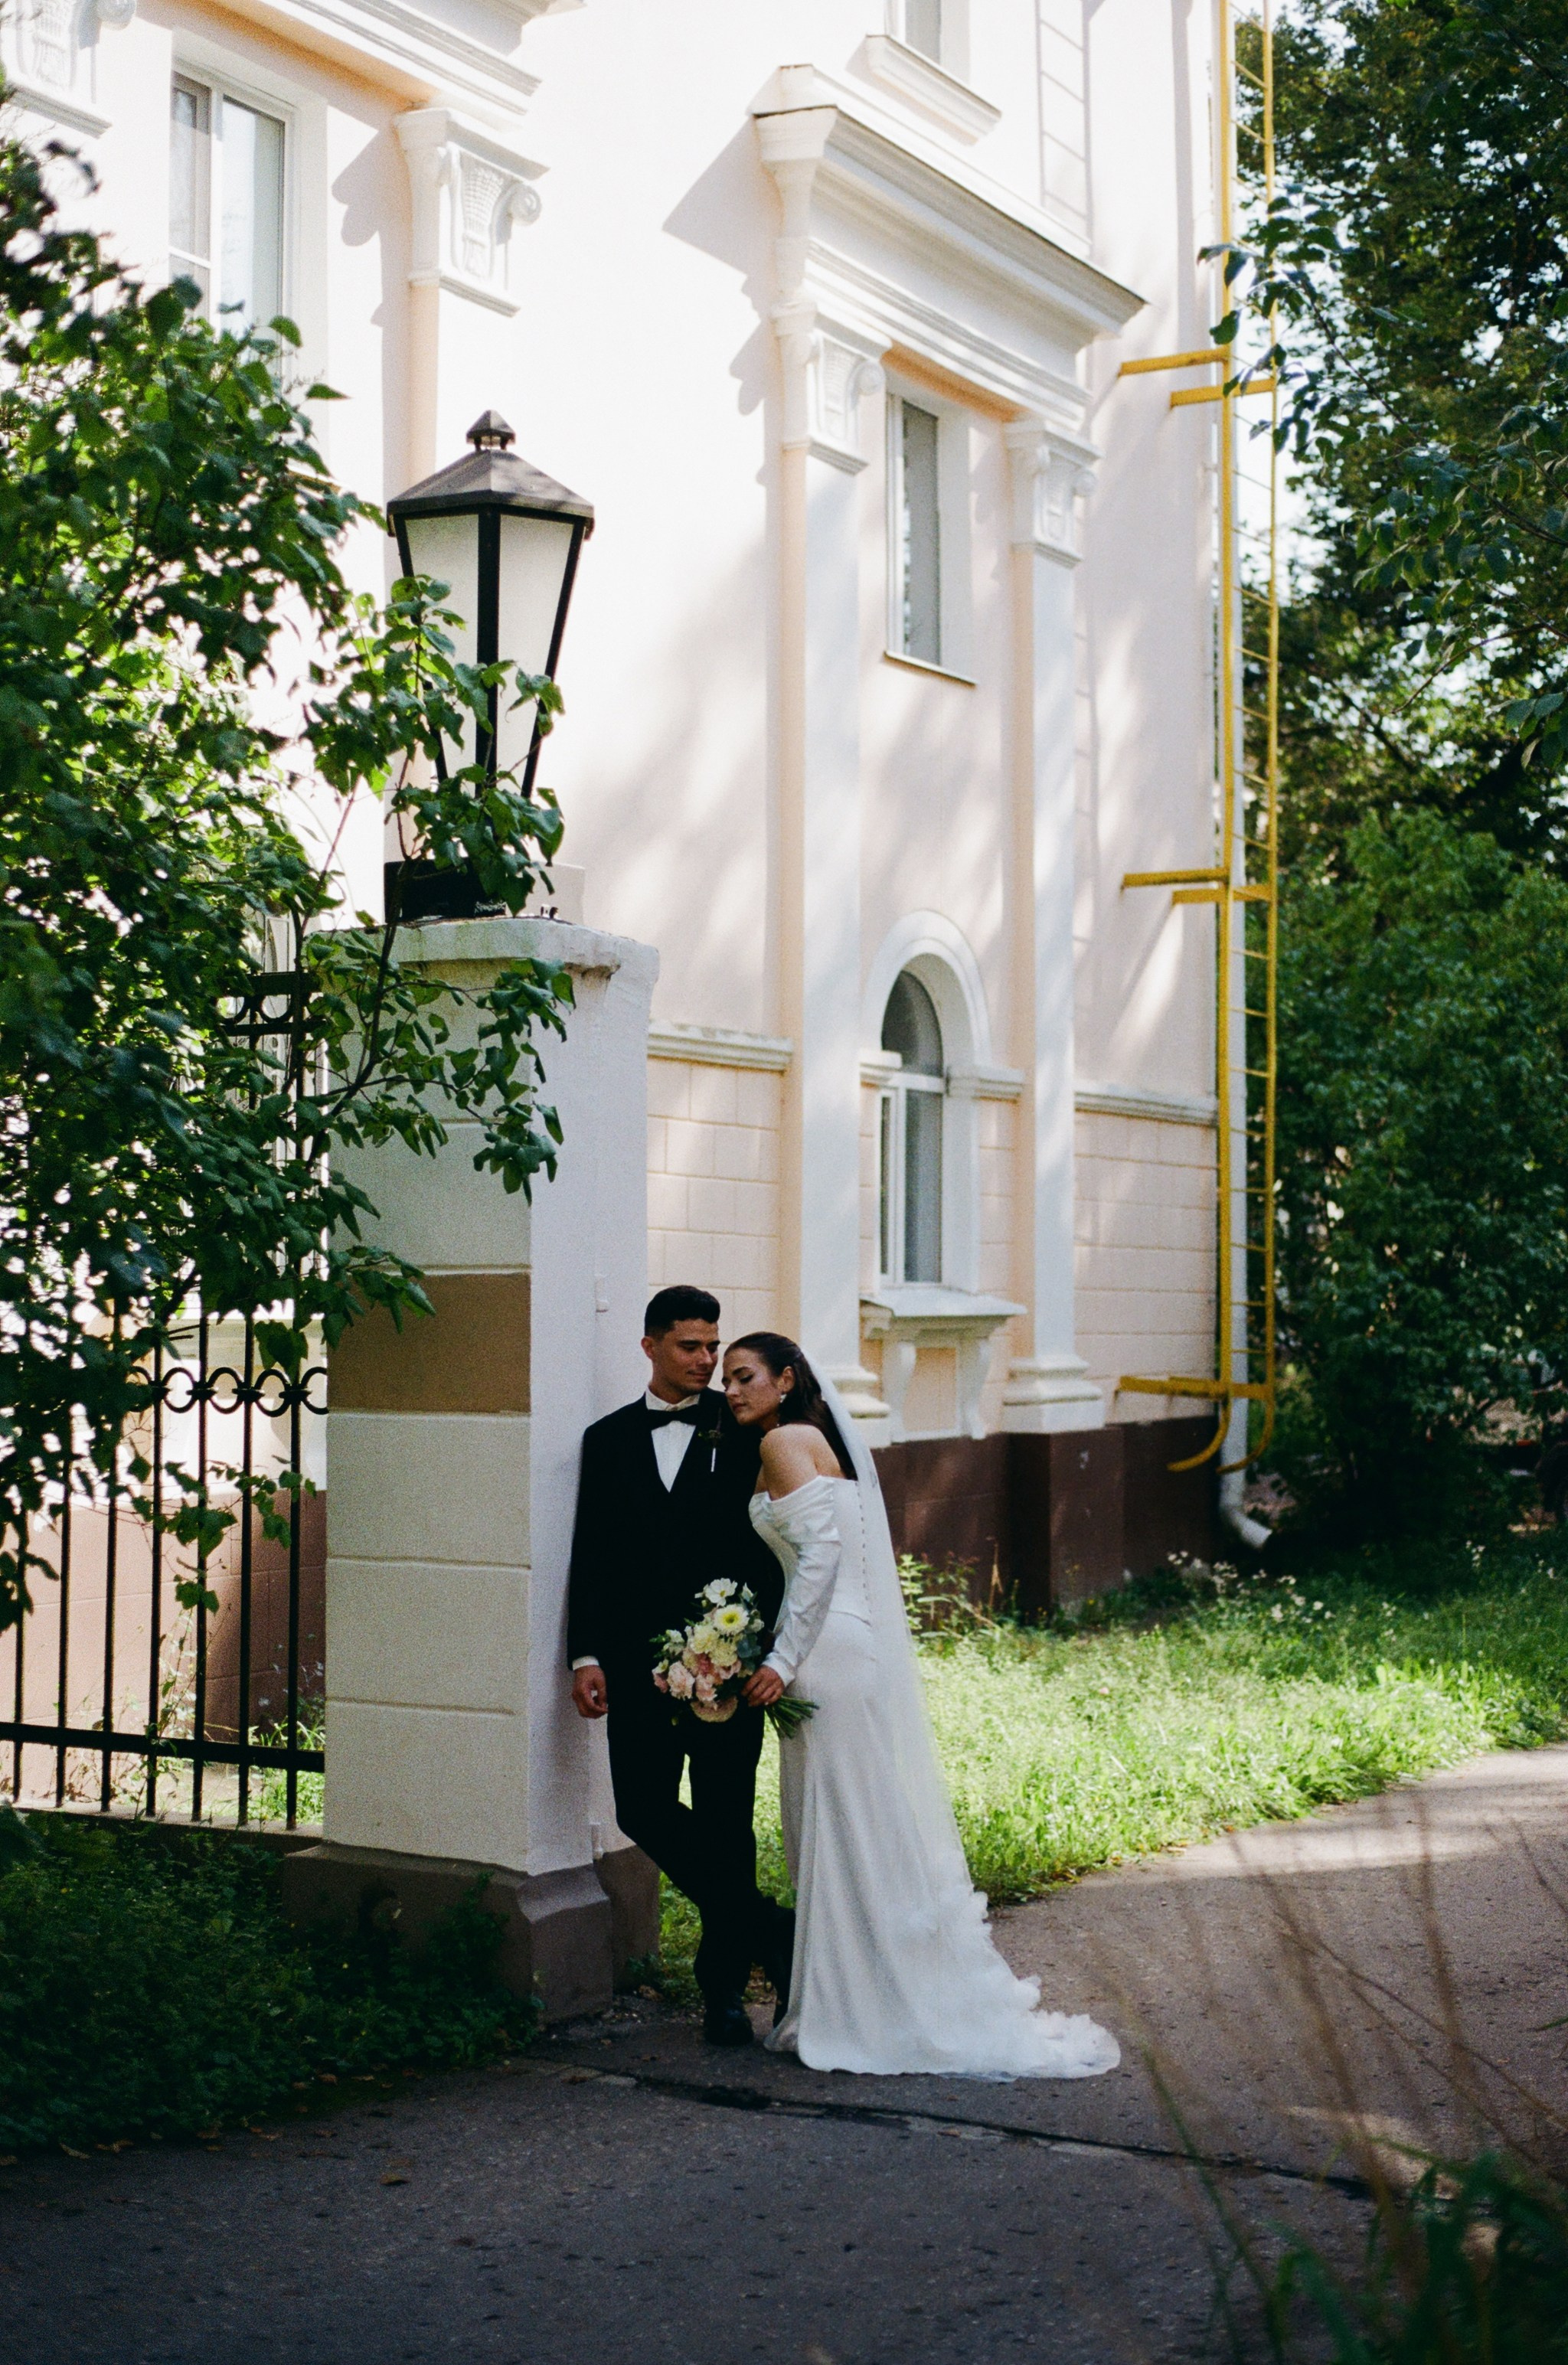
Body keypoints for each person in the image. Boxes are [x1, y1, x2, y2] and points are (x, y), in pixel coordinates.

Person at [723, 1331, 1122, 2079]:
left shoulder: (784, 1443)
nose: (732, 1389)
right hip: (847, 1643)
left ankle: (857, 2005)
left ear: (783, 1379)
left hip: (822, 1650)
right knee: (858, 1818)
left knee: (837, 1822)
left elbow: (818, 1560)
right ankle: (873, 1990)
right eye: (726, 1378)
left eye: (744, 1375)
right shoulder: (815, 1440)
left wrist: (779, 1656)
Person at [567, 1285, 795, 2046]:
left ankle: (723, 1994)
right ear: (650, 1346)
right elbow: (590, 1555)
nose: (707, 1362)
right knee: (640, 1808)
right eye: (690, 1346)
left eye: (713, 1346)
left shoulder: (746, 1432)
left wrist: (748, 1648)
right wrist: (585, 1652)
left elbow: (773, 1553)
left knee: (728, 1822)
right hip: (633, 1667)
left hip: (728, 1667)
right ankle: (774, 1929)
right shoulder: (606, 1439)